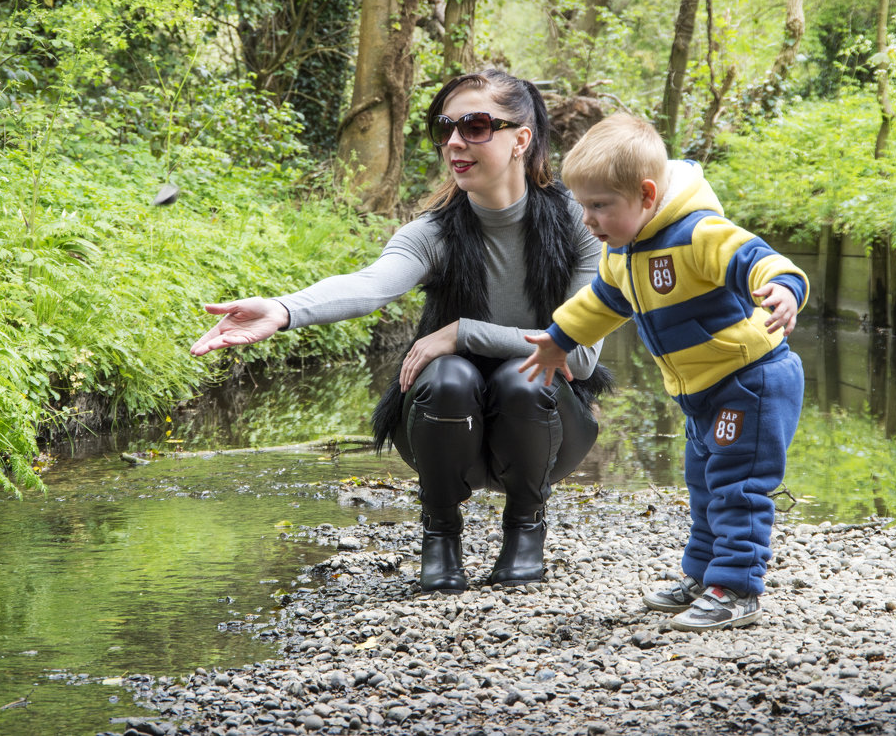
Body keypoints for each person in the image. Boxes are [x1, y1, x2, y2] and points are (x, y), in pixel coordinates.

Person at [191, 69, 612, 594]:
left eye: (476, 126)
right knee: (449, 376)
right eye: (446, 128)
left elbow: (580, 358)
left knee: (523, 377)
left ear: (521, 139)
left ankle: (525, 535)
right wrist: (283, 309)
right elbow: (372, 284)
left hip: (548, 429)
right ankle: (440, 538)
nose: (455, 142)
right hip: (443, 427)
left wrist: (465, 332)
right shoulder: (432, 231)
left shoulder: (582, 223)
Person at [519, 111, 807, 631]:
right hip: (701, 390)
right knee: (703, 480)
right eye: (583, 206)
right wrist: (559, 340)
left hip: (752, 379)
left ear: (647, 196)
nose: (588, 220)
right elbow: (604, 301)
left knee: (737, 484)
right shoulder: (622, 251)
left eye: (600, 206)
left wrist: (784, 287)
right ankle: (703, 575)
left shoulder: (698, 232)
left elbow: (758, 259)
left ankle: (737, 588)